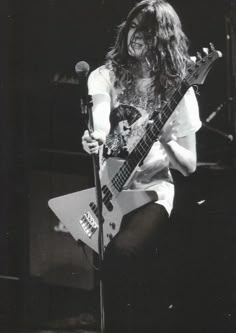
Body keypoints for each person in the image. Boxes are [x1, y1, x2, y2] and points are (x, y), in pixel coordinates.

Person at [81, 0, 201, 332]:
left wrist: (166, 140)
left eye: (146, 30)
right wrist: (95, 138)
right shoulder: (105, 75)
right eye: (133, 26)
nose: (136, 35)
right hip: (111, 188)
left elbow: (189, 165)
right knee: (110, 272)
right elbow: (101, 119)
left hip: (152, 192)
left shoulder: (180, 91)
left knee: (124, 254)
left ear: (162, 37)